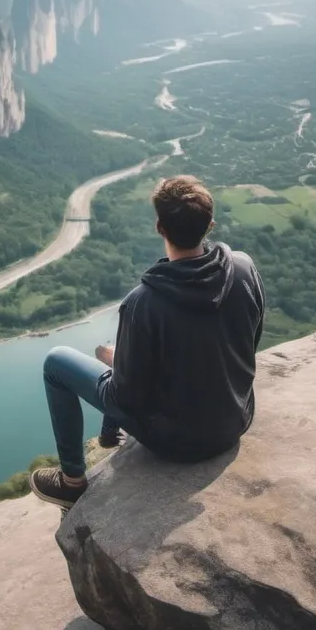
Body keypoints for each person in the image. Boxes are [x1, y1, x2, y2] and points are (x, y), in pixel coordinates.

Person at [30, 174, 265, 510]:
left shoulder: (143, 303)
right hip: (234, 421)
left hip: (177, 444)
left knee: (56, 361)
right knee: (121, 359)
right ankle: (109, 437)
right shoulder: (244, 269)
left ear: (159, 227)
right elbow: (249, 340)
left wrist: (117, 360)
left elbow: (126, 396)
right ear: (210, 225)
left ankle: (71, 482)